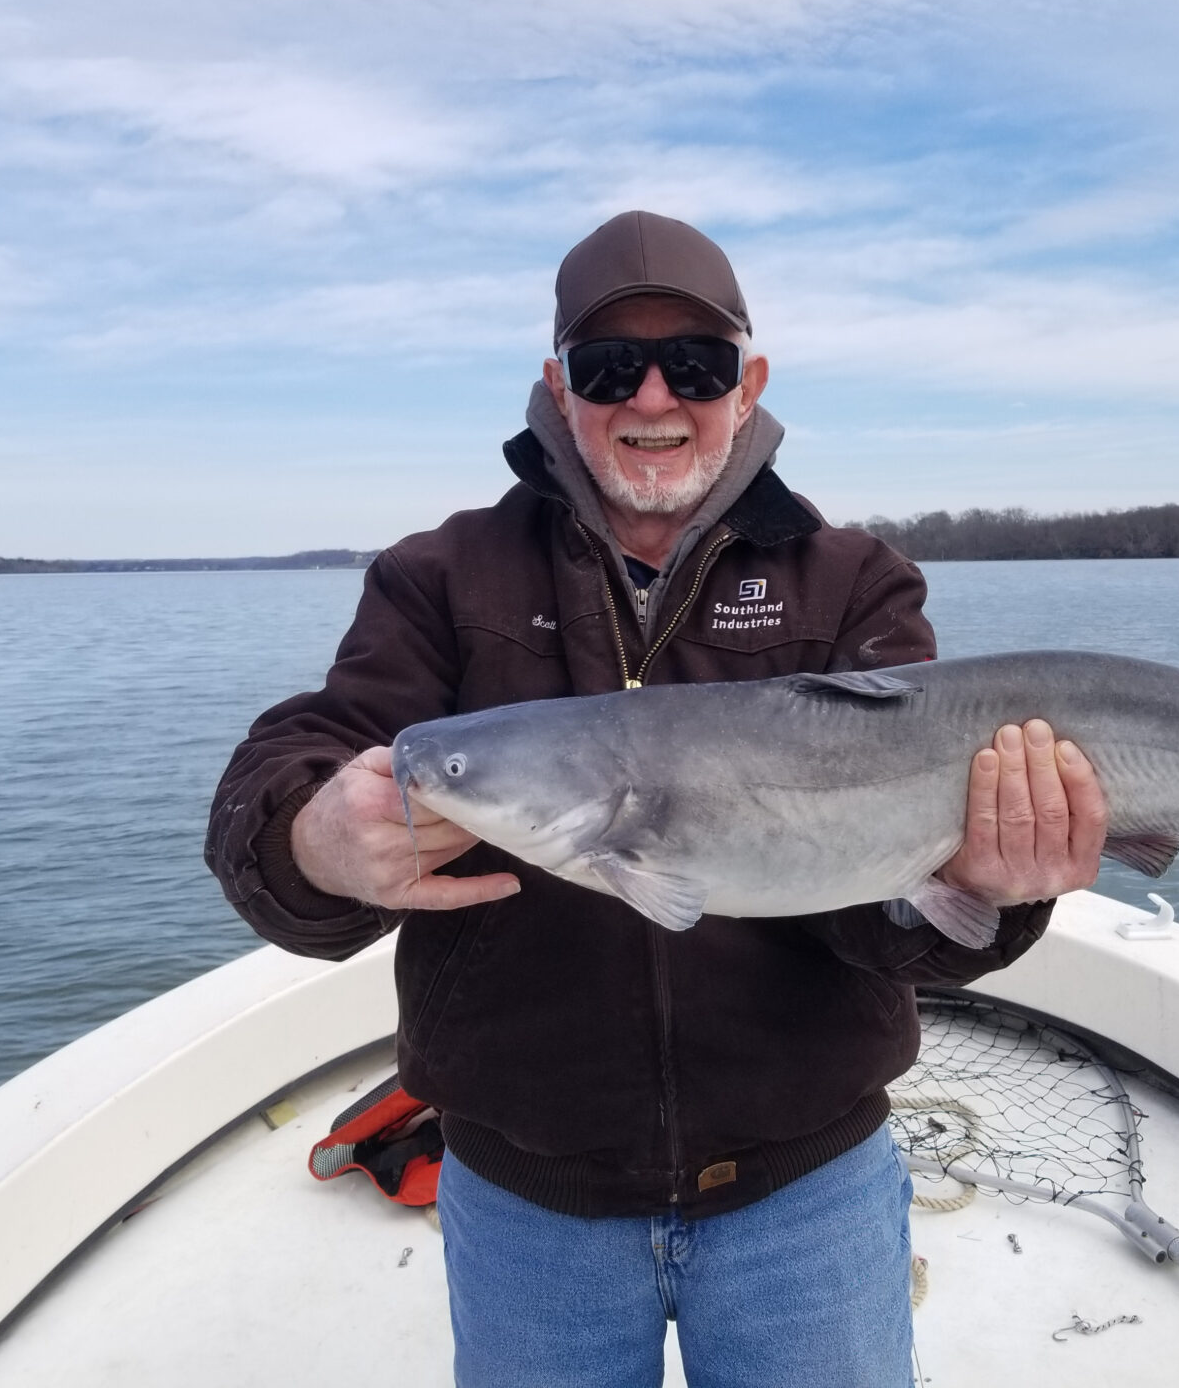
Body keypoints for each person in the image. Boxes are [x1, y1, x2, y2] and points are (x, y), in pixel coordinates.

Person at [205, 211, 1108, 1387]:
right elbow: (294, 770)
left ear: (748, 382)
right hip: (531, 1202)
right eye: (605, 365)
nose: (651, 396)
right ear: (557, 386)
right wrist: (318, 838)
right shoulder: (441, 578)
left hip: (805, 1191)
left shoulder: (851, 582)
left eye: (693, 363)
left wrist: (981, 881)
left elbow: (890, 934)